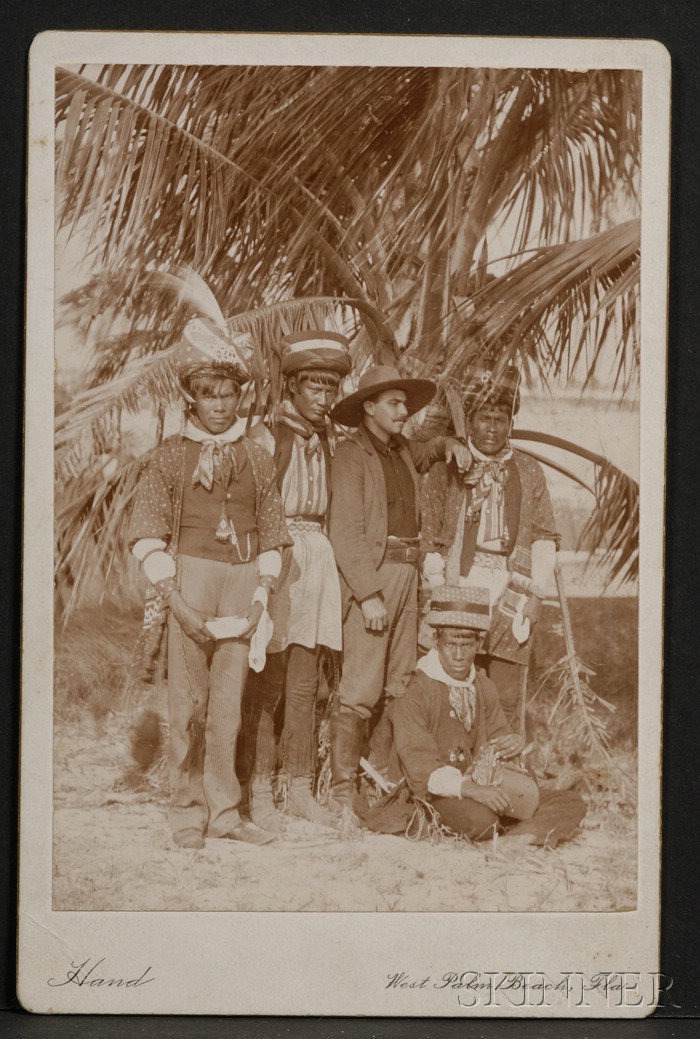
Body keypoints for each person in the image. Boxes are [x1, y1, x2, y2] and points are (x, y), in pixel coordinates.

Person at [128, 317, 292, 850]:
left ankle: (224, 811)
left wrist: (262, 598)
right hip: (189, 581)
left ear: (241, 396)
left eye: (228, 395)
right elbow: (147, 536)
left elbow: (272, 535)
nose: (219, 405)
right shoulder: (170, 456)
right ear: (191, 398)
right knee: (188, 707)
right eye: (208, 395)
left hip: (244, 585)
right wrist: (175, 600)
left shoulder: (259, 458)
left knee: (228, 706)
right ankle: (185, 811)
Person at [327, 365, 471, 813]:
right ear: (368, 407)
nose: (403, 409)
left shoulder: (400, 449)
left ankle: (382, 776)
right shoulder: (351, 456)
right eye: (394, 402)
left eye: (405, 403)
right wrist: (368, 594)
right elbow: (346, 532)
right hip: (377, 575)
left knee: (399, 681)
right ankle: (341, 791)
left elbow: (427, 453)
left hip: (408, 575)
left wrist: (449, 443)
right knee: (361, 685)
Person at [240, 330, 352, 830]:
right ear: (291, 385)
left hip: (319, 555)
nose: (324, 397)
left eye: (331, 388)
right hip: (278, 554)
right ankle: (259, 791)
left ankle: (301, 788)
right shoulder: (267, 435)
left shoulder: (331, 438)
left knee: (307, 681)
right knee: (269, 680)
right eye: (314, 387)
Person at [389, 585, 586, 845]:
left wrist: (513, 745)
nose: (458, 654)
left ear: (479, 644)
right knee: (481, 820)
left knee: (571, 801)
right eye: (450, 644)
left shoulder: (483, 686)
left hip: (484, 789)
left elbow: (498, 740)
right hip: (438, 795)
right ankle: (525, 833)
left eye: (466, 644)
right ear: (436, 641)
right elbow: (422, 774)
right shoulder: (414, 691)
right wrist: (474, 791)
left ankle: (514, 839)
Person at [420, 366, 559, 727]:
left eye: (500, 418)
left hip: (513, 586)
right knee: (456, 679)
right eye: (484, 418)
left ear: (511, 421)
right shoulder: (447, 469)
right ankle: (457, 774)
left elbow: (544, 534)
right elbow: (429, 537)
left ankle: (502, 773)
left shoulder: (528, 470)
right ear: (469, 419)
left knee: (506, 690)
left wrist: (537, 595)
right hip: (459, 583)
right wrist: (439, 589)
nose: (492, 428)